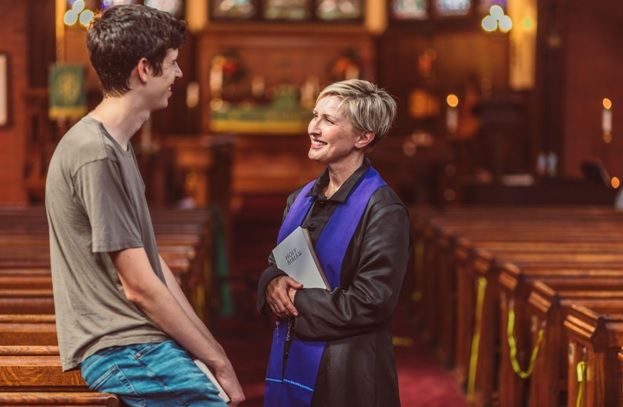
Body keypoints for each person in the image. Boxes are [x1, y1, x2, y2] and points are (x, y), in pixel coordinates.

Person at [45, 5, 244, 406]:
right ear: (144, 70)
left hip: (140, 341)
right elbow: (139, 288)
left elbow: (155, 269)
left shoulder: (116, 145)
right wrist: (217, 361)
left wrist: (211, 351)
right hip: (123, 349)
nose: (179, 74)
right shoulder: (94, 153)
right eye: (171, 64)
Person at [257, 79, 410, 407]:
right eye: (315, 116)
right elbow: (280, 262)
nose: (313, 128)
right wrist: (271, 283)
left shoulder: (383, 209)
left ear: (363, 137)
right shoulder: (300, 197)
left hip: (348, 371)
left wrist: (294, 299)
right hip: (292, 353)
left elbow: (372, 301)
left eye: (328, 120)